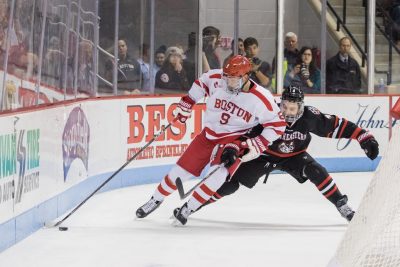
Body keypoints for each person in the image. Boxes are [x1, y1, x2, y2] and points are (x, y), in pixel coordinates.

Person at [187, 84, 379, 222]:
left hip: (295, 155)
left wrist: (363, 136)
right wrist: (232, 148)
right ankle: (193, 205)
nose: (287, 112)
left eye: (292, 108)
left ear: (300, 107)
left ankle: (342, 205)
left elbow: (337, 126)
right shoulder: (268, 112)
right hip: (264, 155)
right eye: (285, 106)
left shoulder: (309, 116)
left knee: (316, 171)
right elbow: (245, 135)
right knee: (230, 185)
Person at [136, 55, 286, 225]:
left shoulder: (261, 98)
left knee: (217, 176)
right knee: (179, 171)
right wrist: (188, 102)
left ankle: (189, 207)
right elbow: (201, 83)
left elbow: (278, 125)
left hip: (232, 141)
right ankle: (155, 200)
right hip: (208, 135)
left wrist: (257, 144)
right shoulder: (217, 78)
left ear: (245, 77)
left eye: (233, 79)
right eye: (226, 77)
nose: (228, 82)